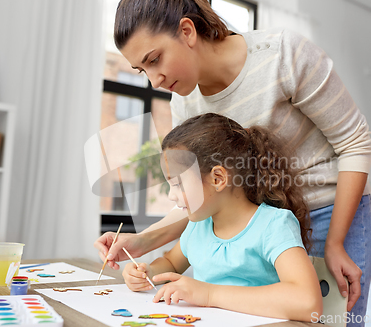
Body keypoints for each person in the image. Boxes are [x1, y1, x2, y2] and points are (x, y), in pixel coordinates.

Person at [95, 0, 371, 325]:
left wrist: (337, 242)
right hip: (252, 219)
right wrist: (142, 241)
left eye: (154, 59)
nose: (154, 81)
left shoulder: (283, 55)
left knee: (331, 319)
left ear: (187, 32)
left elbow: (355, 141)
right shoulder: (184, 102)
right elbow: (199, 189)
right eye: (142, 70)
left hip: (329, 210)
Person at [123, 113, 322, 321]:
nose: (171, 195)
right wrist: (147, 273)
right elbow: (171, 263)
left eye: (178, 184)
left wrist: (210, 294)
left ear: (218, 178)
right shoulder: (197, 226)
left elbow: (308, 302)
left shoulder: (273, 225)